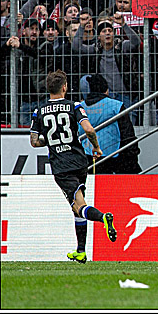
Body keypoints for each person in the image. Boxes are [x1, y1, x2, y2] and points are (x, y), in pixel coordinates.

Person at [29, 70, 117, 263]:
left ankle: (103, 217)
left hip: (61, 164)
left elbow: (34, 141)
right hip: (79, 161)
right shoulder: (74, 105)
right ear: (64, 87)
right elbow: (88, 129)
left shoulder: (39, 110)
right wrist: (96, 147)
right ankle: (81, 250)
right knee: (77, 204)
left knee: (79, 206)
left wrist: (50, 141)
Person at [80, 74, 141, 174]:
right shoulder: (116, 106)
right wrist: (133, 153)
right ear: (106, 90)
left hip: (88, 156)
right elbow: (127, 133)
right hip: (113, 156)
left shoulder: (80, 107)